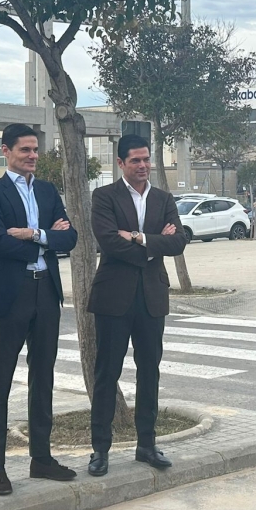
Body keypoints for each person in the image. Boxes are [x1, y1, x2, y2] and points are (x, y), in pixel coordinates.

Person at [0, 123, 78, 495]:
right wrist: (49, 240)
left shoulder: (48, 191)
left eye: (35, 150)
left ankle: (42, 459)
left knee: (43, 377)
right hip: (8, 296)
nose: (32, 156)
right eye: (24, 150)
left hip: (45, 294)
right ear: (5, 151)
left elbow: (72, 237)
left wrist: (34, 234)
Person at [87, 134, 187, 476]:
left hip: (152, 298)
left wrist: (141, 237)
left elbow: (180, 241)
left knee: (150, 372)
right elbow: (110, 243)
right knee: (107, 374)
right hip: (114, 298)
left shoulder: (162, 198)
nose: (143, 166)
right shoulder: (104, 197)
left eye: (146, 159)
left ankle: (147, 444)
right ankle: (100, 449)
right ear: (120, 164)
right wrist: (157, 241)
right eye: (135, 161)